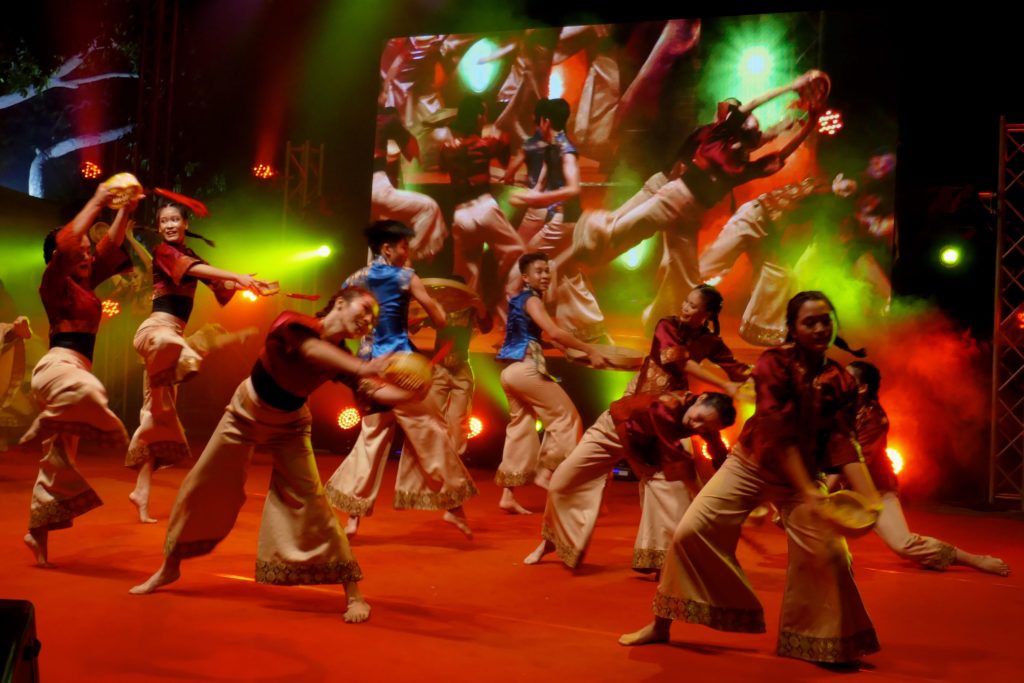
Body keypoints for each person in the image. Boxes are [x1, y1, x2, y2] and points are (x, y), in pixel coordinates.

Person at [620, 291, 882, 668]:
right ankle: (661, 625)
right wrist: (810, 492)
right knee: (689, 532)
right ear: (792, 328)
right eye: (810, 321)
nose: (820, 327)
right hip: (751, 464)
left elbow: (843, 441)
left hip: (801, 478)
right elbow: (778, 431)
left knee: (832, 555)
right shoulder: (773, 363)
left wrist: (870, 499)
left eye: (826, 319)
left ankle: (822, 642)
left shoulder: (839, 379)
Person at [129, 287, 419, 623]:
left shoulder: (343, 356)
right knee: (202, 486)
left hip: (291, 427)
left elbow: (369, 389)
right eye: (365, 310)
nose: (369, 321)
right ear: (340, 302)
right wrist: (365, 367)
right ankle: (169, 568)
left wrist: (412, 393)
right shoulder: (294, 324)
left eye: (374, 318)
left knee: (314, 504)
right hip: (243, 414)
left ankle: (353, 594)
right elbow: (312, 352)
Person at [325, 221, 477, 537]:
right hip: (402, 368)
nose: (408, 252)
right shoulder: (407, 277)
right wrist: (434, 311)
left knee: (373, 438)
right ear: (387, 248)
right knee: (428, 432)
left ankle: (353, 516)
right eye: (404, 246)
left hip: (369, 367)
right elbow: (438, 318)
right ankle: (453, 506)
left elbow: (343, 313)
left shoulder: (354, 279)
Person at [126, 202, 268, 523]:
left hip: (170, 340)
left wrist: (251, 285)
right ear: (160, 227)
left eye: (175, 219)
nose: (170, 224)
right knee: (181, 344)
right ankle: (187, 356)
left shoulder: (191, 256)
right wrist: (235, 275)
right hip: (156, 333)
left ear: (185, 223)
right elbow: (193, 270)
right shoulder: (164, 251)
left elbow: (219, 285)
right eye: (164, 221)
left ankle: (141, 492)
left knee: (156, 414)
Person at [20, 184, 139, 566]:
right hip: (58, 369)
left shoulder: (86, 280)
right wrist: (99, 199)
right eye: (81, 249)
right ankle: (48, 418)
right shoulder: (53, 284)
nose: (88, 252)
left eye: (89, 249)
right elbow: (70, 243)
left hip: (73, 374)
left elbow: (112, 242)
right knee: (89, 390)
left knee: (59, 459)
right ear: (60, 257)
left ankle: (35, 531)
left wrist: (127, 208)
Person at [524, 390, 735, 569]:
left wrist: (729, 483)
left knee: (674, 498)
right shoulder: (667, 406)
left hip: (651, 447)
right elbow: (675, 456)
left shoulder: (704, 418)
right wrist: (699, 493)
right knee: (561, 484)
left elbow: (716, 450)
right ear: (700, 398)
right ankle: (550, 542)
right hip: (612, 432)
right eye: (699, 418)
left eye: (705, 427)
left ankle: (666, 562)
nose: (697, 426)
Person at [843, 361, 1009, 576]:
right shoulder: (835, 409)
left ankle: (974, 560)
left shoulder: (874, 418)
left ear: (862, 387)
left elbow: (850, 461)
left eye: (846, 379)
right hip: (843, 488)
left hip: (874, 492)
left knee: (904, 545)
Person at [494, 251, 608, 514]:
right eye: (539, 271)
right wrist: (589, 350)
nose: (545, 276)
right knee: (567, 419)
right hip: (526, 372)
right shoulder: (532, 300)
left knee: (521, 429)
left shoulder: (520, 300)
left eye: (547, 271)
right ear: (525, 277)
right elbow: (555, 331)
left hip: (511, 373)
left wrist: (562, 349)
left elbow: (532, 336)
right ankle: (546, 473)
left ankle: (507, 495)